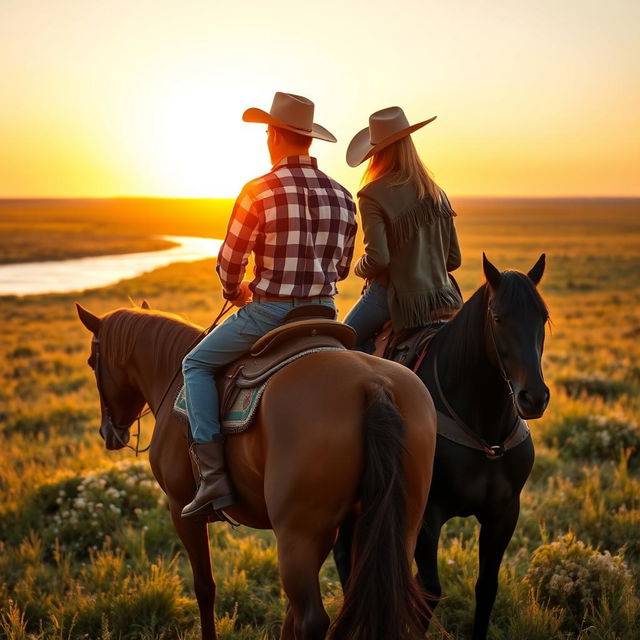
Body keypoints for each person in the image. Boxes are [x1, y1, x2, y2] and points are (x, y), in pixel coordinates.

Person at [181, 92, 357, 518]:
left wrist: (233, 290)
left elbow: (230, 260)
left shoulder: (258, 189)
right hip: (325, 314)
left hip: (269, 314)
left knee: (196, 366)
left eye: (267, 132)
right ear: (309, 140)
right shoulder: (342, 194)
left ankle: (213, 478)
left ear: (274, 136)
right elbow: (344, 267)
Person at [343, 106, 463, 351]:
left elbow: (378, 258)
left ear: (376, 153)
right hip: (443, 297)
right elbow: (453, 259)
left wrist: (358, 267)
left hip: (395, 299)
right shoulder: (436, 192)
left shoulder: (371, 194)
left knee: (339, 347)